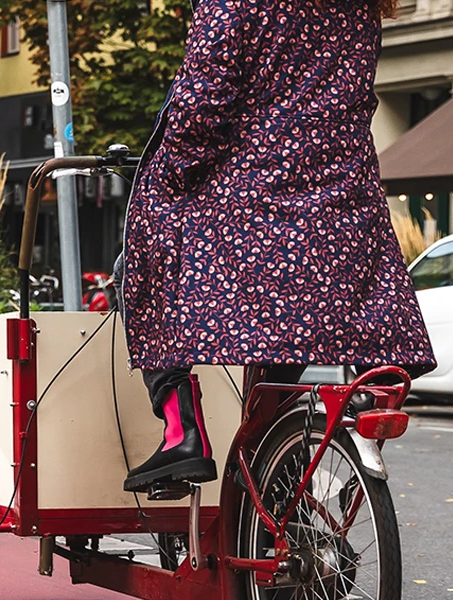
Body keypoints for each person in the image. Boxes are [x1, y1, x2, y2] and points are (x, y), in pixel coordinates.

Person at [117, 0, 436, 493]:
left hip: (257, 206)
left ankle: (183, 434)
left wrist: (169, 176)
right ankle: (275, 490)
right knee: (284, 349)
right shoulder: (359, 8)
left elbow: (201, 105)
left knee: (142, 264)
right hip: (339, 211)